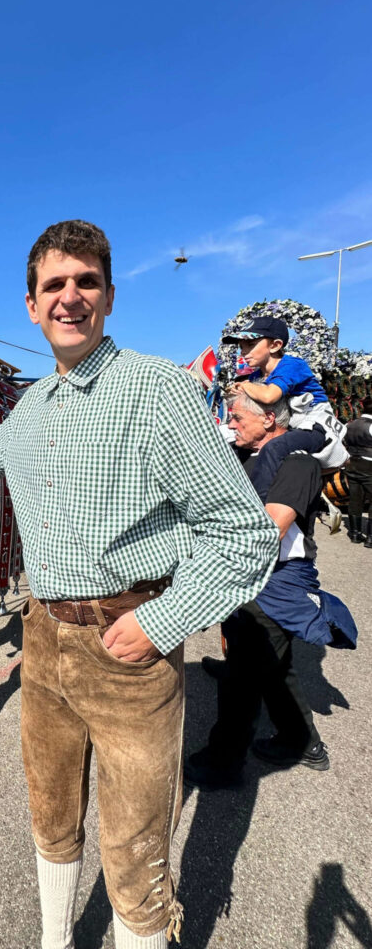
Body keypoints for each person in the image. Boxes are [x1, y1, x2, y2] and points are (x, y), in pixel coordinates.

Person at [0, 220, 278, 948]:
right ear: (32, 306)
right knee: (51, 812)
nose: (69, 297)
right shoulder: (33, 403)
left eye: (86, 281)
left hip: (130, 646)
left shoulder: (158, 390)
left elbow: (244, 534)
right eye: (54, 285)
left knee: (134, 846)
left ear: (109, 297)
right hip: (42, 638)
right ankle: (56, 940)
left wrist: (163, 622)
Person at [185, 390, 356, 791]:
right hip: (245, 572)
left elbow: (270, 530)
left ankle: (223, 763)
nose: (231, 425)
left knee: (243, 679)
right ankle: (301, 742)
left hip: (275, 577)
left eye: (238, 418)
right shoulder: (247, 455)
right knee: (270, 665)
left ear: (268, 419)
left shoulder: (297, 463)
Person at [223, 316, 347, 502]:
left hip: (315, 425)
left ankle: (259, 505)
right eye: (241, 346)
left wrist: (245, 386)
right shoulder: (256, 376)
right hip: (293, 424)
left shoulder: (291, 365)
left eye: (251, 344)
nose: (244, 352)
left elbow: (269, 396)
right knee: (234, 445)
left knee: (274, 448)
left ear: (275, 345)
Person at [343, 395, 372, 547]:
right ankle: (370, 538)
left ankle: (355, 534)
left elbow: (343, 442)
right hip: (369, 465)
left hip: (352, 464)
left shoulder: (350, 424)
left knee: (355, 499)